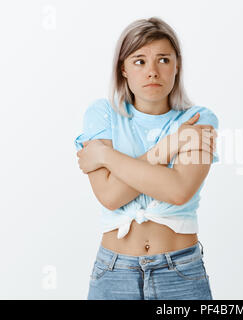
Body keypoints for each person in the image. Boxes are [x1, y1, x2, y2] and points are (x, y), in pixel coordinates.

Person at [74, 17, 220, 300]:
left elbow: (178, 190)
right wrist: (169, 147)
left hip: (180, 272)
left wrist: (104, 155)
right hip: (114, 272)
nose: (152, 71)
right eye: (139, 61)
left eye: (163, 60)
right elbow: (110, 196)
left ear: (177, 66)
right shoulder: (102, 114)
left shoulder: (199, 119)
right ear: (124, 69)